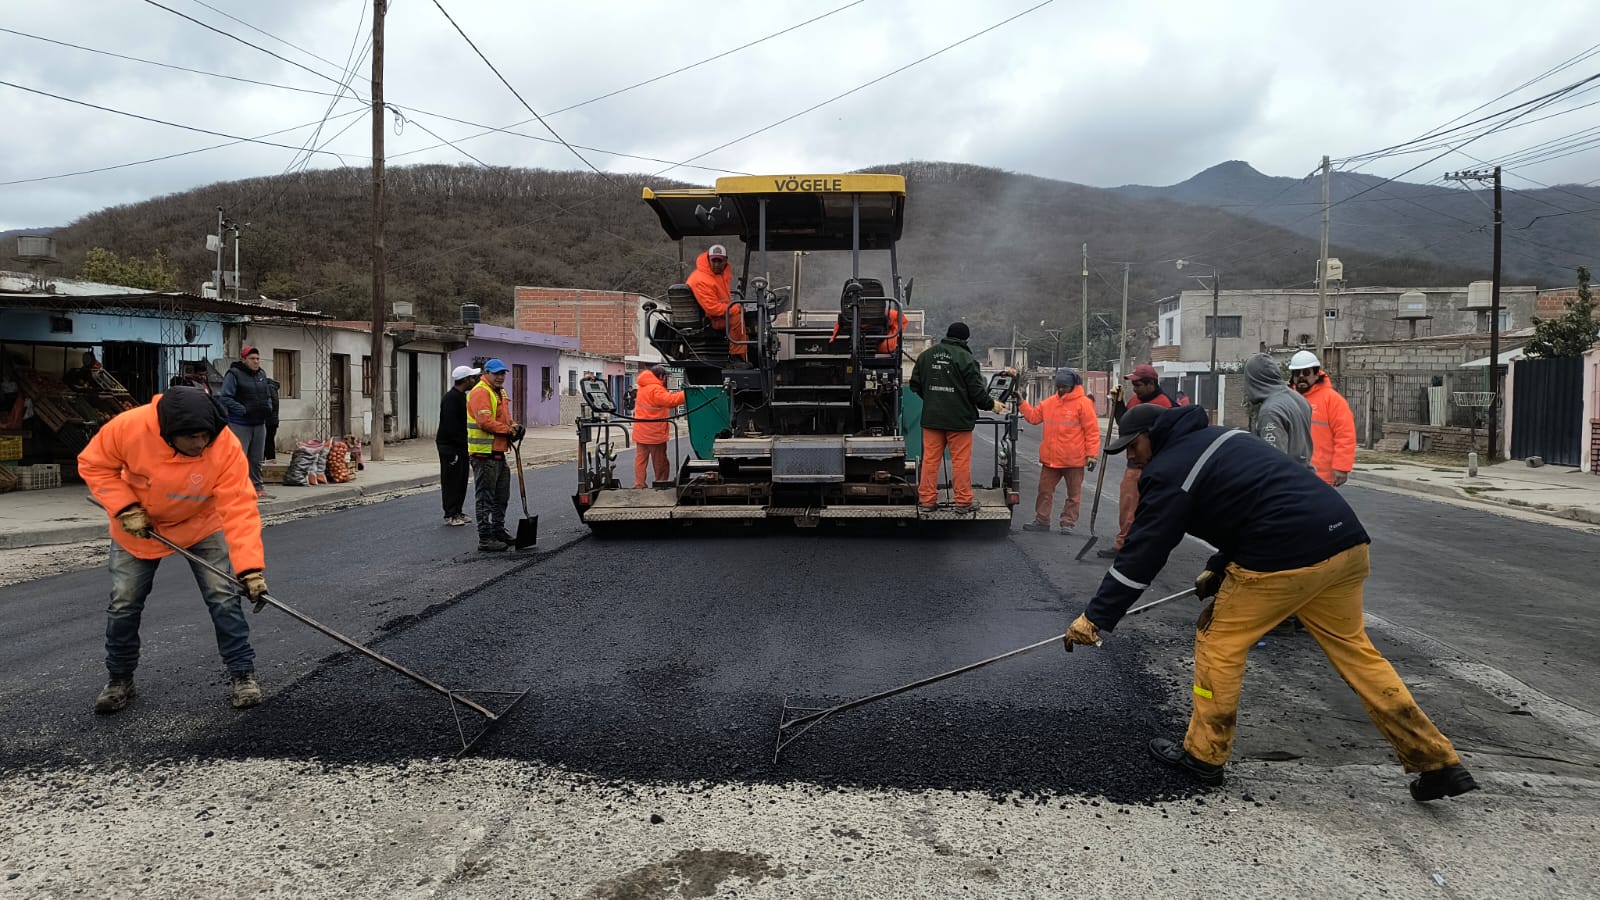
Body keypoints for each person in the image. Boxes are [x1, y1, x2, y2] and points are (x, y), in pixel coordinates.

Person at [1062, 403, 1478, 802]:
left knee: (1218, 643)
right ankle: (1436, 760)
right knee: (1358, 654)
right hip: (1344, 542)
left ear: (1153, 436)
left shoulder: (1170, 471)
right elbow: (1257, 503)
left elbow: (1145, 550)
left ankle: (1203, 756)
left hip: (1285, 557)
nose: (1132, 458)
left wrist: (1098, 617)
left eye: (1133, 446)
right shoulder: (1220, 438)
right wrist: (1220, 565)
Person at [77, 387, 269, 713]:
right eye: (192, 438)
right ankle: (119, 678)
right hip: (141, 526)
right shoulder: (129, 428)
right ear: (168, 434)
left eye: (205, 436)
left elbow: (239, 507)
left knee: (224, 597)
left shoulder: (223, 445)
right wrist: (124, 508)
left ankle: (242, 673)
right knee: (125, 602)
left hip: (201, 524)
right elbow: (94, 464)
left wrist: (249, 568)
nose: (200, 444)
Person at [908, 322, 1007, 513]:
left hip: (932, 420)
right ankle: (963, 502)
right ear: (965, 339)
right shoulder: (966, 359)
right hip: (959, 421)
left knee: (930, 461)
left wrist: (932, 399)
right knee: (960, 462)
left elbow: (915, 384)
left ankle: (927, 501)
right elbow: (977, 392)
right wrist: (991, 404)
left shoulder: (926, 356)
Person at [1099, 363, 1174, 558]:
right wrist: (1119, 405)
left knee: (1150, 510)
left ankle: (1140, 547)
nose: (1135, 389)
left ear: (1151, 384)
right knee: (1128, 506)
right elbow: (1126, 427)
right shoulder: (1134, 401)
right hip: (1133, 464)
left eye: (1138, 385)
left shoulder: (1164, 405)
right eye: (1133, 385)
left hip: (1152, 466)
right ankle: (1124, 544)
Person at [1018, 367, 1100, 534]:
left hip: (1074, 460)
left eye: (1065, 386)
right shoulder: (1049, 403)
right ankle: (1042, 521)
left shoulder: (1083, 404)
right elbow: (1033, 417)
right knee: (1044, 491)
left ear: (1073, 385)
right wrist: (1021, 403)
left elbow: (1092, 431)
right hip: (1051, 460)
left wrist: (1092, 455)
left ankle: (1068, 523)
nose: (1061, 389)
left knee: (1073, 495)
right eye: (1059, 386)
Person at [467, 358, 523, 552]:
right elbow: (484, 422)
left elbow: (505, 418)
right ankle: (485, 537)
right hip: (484, 455)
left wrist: (515, 426)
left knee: (502, 495)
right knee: (485, 498)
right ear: (486, 373)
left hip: (498, 452)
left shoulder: (499, 392)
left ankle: (498, 530)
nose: (500, 377)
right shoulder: (480, 392)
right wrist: (508, 431)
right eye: (496, 373)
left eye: (502, 373)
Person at [1289, 350, 1356, 487]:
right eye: (1297, 373)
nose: (1301, 377)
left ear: (1316, 374)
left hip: (1320, 476)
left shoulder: (1332, 400)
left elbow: (1345, 435)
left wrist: (1341, 467)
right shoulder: (1287, 398)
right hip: (1291, 473)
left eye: (1306, 372)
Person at [219, 346, 274, 500]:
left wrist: (268, 406)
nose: (256, 362)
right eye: (252, 359)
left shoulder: (261, 374)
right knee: (239, 458)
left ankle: (257, 486)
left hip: (259, 422)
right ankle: (237, 488)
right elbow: (225, 397)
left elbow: (267, 394)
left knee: (256, 458)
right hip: (240, 423)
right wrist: (242, 409)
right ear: (243, 360)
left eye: (257, 358)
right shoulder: (233, 374)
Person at [1244, 353, 1313, 470]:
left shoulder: (1270, 411)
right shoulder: (1298, 398)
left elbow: (1273, 463)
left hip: (1287, 482)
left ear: (1255, 380)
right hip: (1304, 475)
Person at [686, 244, 749, 361]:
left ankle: (744, 353)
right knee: (737, 318)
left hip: (715, 316)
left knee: (741, 316)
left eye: (719, 261)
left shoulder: (717, 276)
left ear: (725, 261)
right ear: (708, 259)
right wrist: (736, 309)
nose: (716, 264)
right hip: (712, 320)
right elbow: (712, 308)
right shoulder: (702, 279)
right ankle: (737, 357)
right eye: (713, 261)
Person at [632, 364, 686, 489]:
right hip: (654, 432)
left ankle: (639, 485)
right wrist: (687, 393)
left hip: (640, 431)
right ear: (661, 376)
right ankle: (660, 483)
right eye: (665, 377)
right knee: (660, 461)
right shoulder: (655, 389)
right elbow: (671, 401)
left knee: (640, 460)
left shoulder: (642, 387)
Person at [438, 365, 479, 526]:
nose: (474, 380)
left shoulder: (462, 396)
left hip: (462, 446)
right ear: (465, 380)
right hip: (450, 446)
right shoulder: (451, 398)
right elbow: (450, 426)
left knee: (461, 479)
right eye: (471, 378)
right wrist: (454, 449)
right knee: (451, 480)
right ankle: (450, 514)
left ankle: (458, 511)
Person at [263, 376, 281, 462]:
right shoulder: (273, 388)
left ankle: (267, 462)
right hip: (273, 420)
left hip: (268, 420)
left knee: (266, 443)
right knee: (270, 442)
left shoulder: (268, 388)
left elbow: (269, 405)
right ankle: (271, 461)